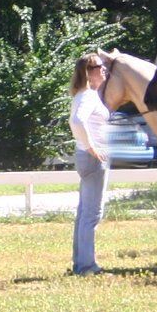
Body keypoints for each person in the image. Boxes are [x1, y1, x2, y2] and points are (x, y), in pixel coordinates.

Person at [67, 52, 113, 276]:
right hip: (93, 159)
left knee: (84, 212)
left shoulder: (82, 95)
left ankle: (79, 263)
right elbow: (76, 121)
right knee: (92, 214)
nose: (103, 69)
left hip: (85, 156)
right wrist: (92, 146)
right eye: (98, 66)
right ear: (88, 72)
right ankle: (87, 266)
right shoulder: (89, 97)